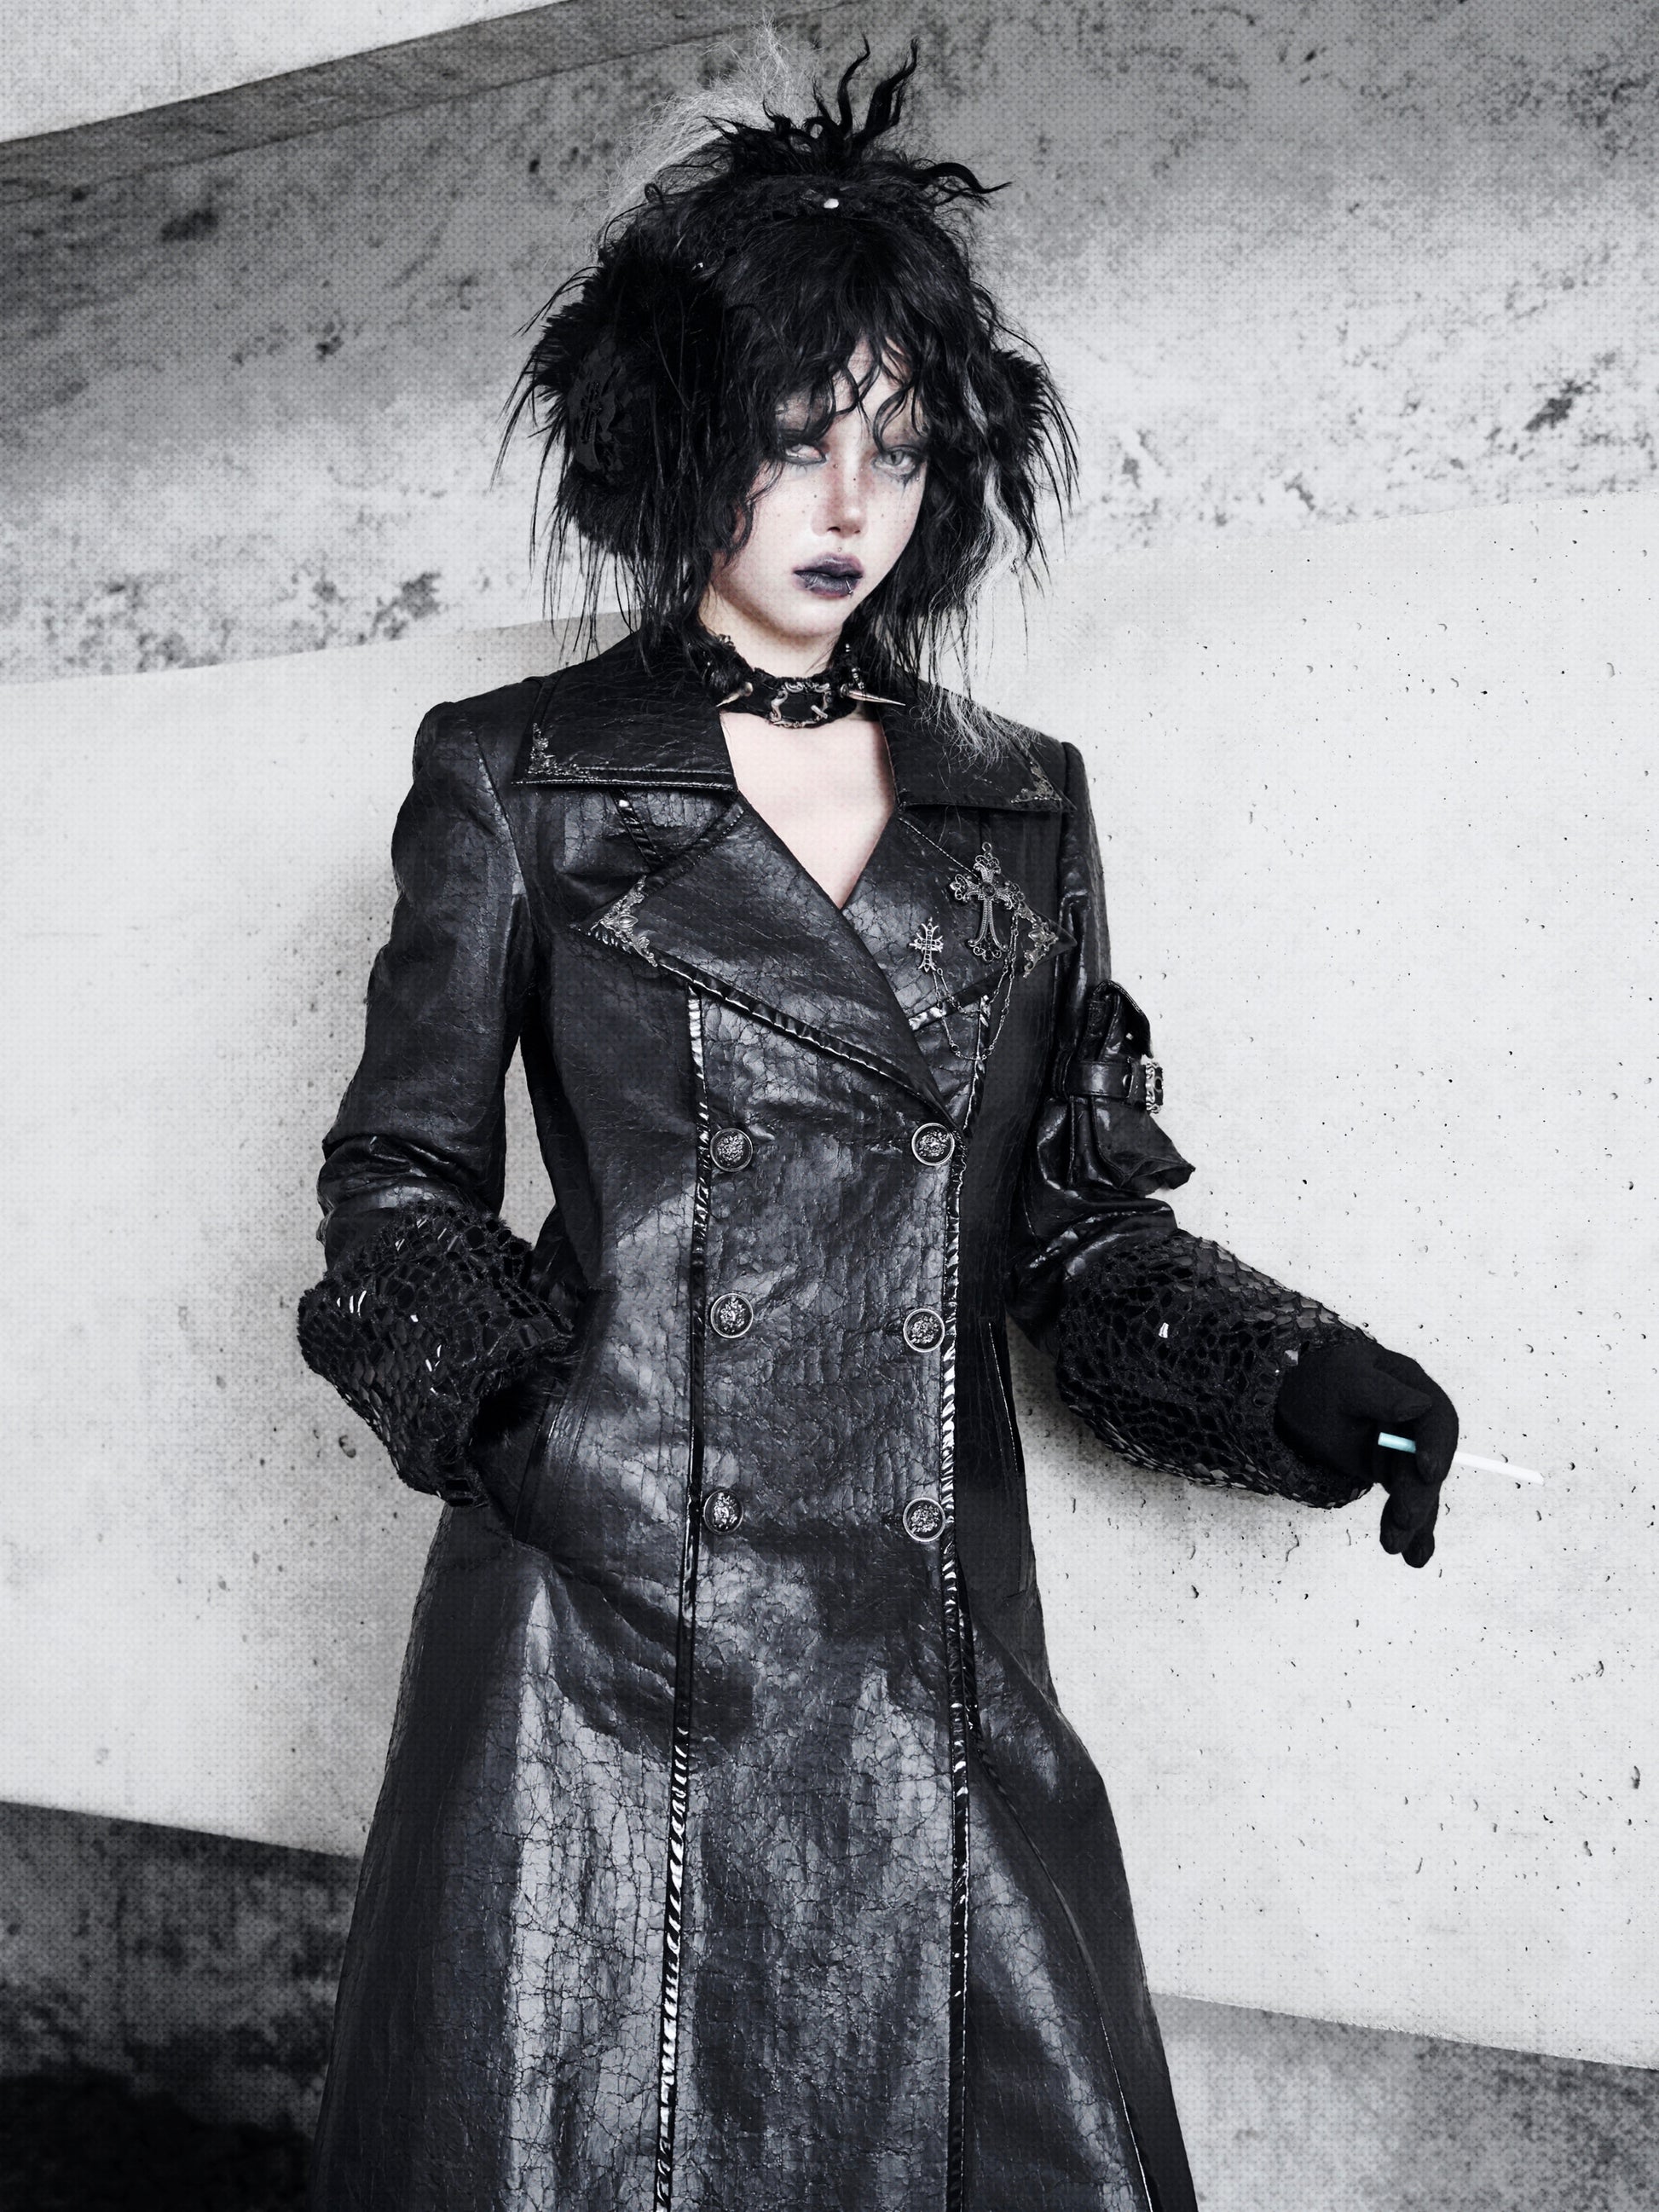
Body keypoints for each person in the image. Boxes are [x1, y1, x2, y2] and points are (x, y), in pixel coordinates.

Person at [297, 43, 1458, 2212]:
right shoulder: (514, 771)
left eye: (900, 450)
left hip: (924, 1623)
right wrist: (525, 1425)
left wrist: (1293, 1371)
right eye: (791, 441)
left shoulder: (1023, 795)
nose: (849, 506)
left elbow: (1067, 1225)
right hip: (590, 1625)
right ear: (676, 450)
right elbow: (398, 1181)